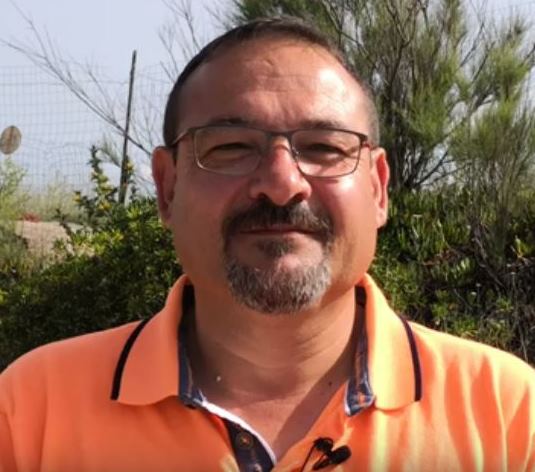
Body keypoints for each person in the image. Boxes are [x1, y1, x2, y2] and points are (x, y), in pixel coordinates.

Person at [0, 16, 534, 472]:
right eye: (231, 147)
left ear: (377, 188)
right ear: (167, 188)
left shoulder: (510, 417)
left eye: (324, 147)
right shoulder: (32, 413)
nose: (281, 184)